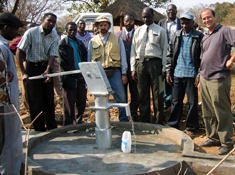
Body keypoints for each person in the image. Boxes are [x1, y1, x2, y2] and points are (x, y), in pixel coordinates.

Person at [199, 9, 235, 155]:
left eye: (209, 17)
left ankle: (227, 141)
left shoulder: (225, 31)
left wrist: (231, 60)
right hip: (204, 78)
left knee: (222, 111)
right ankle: (213, 137)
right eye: (204, 19)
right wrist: (199, 76)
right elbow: (203, 57)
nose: (207, 20)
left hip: (219, 78)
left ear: (215, 17)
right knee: (208, 112)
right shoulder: (205, 36)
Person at [16, 13, 59, 131]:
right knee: (36, 100)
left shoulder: (54, 34)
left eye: (53, 22)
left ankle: (52, 127)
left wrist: (48, 69)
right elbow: (19, 51)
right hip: (32, 67)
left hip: (46, 67)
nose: (51, 24)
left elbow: (52, 53)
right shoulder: (31, 32)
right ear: (42, 20)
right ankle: (39, 128)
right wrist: (24, 72)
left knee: (49, 99)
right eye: (49, 21)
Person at [166, 12, 203, 138]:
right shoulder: (176, 35)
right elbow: (169, 55)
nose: (185, 25)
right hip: (177, 73)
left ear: (193, 23)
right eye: (182, 23)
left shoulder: (199, 36)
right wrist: (169, 71)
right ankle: (173, 124)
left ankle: (191, 127)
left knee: (192, 102)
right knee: (176, 101)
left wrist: (198, 75)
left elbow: (202, 59)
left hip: (192, 75)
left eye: (187, 22)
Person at [130, 7, 168, 124]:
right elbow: (133, 50)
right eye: (144, 17)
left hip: (155, 64)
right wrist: (133, 68)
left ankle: (158, 121)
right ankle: (145, 121)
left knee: (158, 94)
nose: (145, 19)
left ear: (153, 16)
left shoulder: (160, 30)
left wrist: (163, 67)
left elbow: (165, 50)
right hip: (140, 64)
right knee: (142, 95)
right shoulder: (138, 31)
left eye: (148, 16)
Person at [88, 16, 128, 122]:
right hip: (99, 74)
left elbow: (123, 57)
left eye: (105, 25)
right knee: (101, 99)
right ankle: (104, 121)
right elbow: (89, 60)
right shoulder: (92, 42)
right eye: (101, 25)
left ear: (109, 26)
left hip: (115, 72)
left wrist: (124, 73)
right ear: (97, 27)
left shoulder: (117, 39)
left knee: (121, 98)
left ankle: (123, 120)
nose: (103, 27)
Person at [0, 12, 23, 175]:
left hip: (7, 103)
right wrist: (8, 105)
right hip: (5, 106)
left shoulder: (4, 46)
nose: (17, 33)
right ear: (6, 27)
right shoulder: (1, 47)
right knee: (8, 141)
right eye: (15, 29)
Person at [58, 22, 87, 125]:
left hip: (81, 78)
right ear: (66, 30)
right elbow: (63, 64)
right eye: (70, 30)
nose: (72, 32)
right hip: (69, 79)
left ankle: (78, 123)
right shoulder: (63, 44)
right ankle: (69, 126)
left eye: (74, 30)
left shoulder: (80, 44)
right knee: (69, 104)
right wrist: (76, 75)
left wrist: (83, 74)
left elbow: (85, 58)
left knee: (81, 102)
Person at [115, 14, 139, 121]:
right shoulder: (117, 35)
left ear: (134, 21)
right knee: (122, 94)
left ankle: (133, 114)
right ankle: (124, 116)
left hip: (135, 69)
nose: (128, 23)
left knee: (135, 93)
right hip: (121, 70)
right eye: (126, 21)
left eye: (130, 21)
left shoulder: (138, 34)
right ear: (123, 22)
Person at [158, 4, 181, 109]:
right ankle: (166, 101)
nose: (170, 12)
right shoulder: (161, 23)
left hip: (178, 55)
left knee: (175, 77)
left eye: (173, 10)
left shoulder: (181, 23)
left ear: (176, 11)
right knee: (165, 77)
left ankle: (175, 100)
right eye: (168, 10)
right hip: (164, 54)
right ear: (166, 12)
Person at [9, 23, 35, 108]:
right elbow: (12, 47)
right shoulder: (22, 39)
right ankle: (27, 104)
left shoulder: (36, 39)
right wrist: (21, 56)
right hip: (26, 62)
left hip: (36, 63)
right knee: (26, 83)